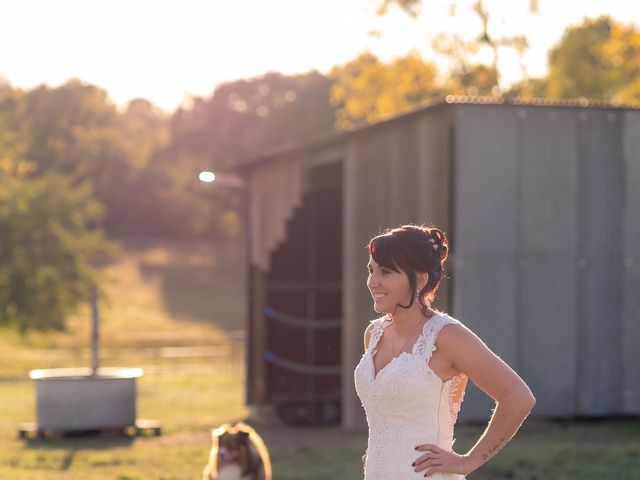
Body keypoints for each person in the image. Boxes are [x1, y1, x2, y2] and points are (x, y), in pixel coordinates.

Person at [354, 224, 536, 479]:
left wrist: (467, 462)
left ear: (419, 279)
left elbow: (518, 398)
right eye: (371, 270)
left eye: (385, 272)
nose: (373, 282)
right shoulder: (373, 334)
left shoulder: (446, 336)